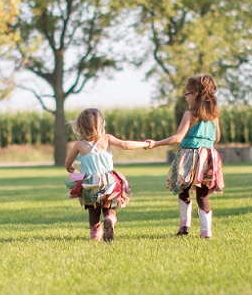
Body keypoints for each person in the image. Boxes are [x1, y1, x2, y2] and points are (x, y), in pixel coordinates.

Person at [146, 74, 224, 238]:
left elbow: (177, 138)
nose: (186, 98)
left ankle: (184, 226)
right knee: (202, 195)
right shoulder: (214, 115)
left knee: (183, 190)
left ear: (195, 94)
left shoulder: (189, 115)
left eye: (186, 94)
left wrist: (155, 143)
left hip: (189, 157)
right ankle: (206, 232)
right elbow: (217, 137)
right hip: (208, 157)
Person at [65, 108, 151, 242]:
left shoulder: (79, 145)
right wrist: (145, 144)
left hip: (90, 184)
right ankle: (109, 219)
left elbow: (68, 162)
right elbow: (125, 144)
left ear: (80, 126)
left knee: (93, 210)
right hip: (109, 182)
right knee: (109, 207)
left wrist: (69, 167)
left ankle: (95, 235)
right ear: (101, 124)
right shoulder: (107, 139)